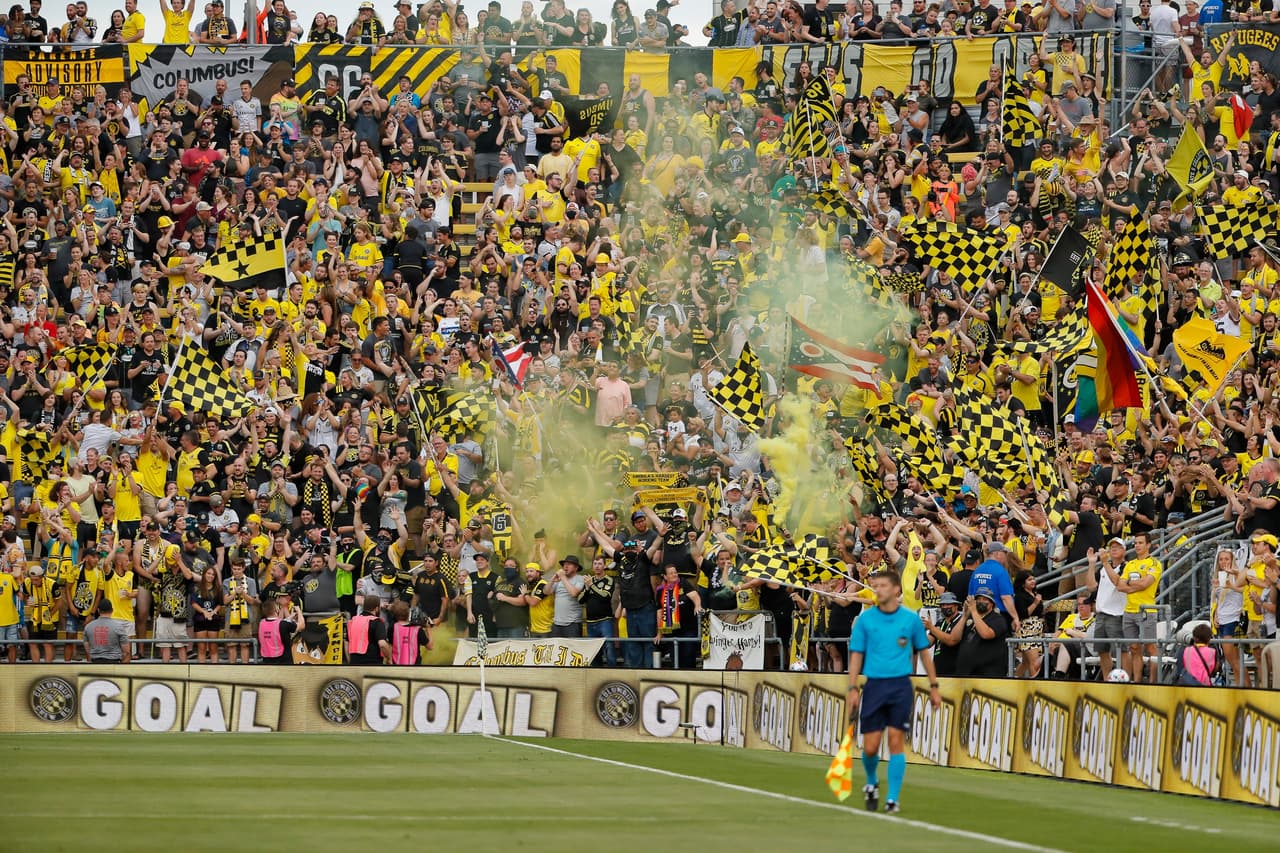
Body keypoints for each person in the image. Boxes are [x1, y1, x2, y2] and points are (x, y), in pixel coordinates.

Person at [846, 569, 940, 815]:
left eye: (883, 586)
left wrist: (933, 685)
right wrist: (853, 687)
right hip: (875, 685)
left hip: (900, 686)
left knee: (896, 741)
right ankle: (871, 781)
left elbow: (924, 652)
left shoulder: (910, 620)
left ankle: (892, 799)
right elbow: (856, 654)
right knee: (870, 747)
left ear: (897, 590)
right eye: (876, 586)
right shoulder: (866, 620)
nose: (878, 590)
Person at [83, 598, 132, 663]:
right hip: (114, 664)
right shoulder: (119, 627)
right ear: (112, 610)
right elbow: (126, 652)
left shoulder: (88, 627)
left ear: (98, 610)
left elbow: (87, 651)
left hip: (95, 663)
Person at [258, 597, 303, 664]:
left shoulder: (261, 623)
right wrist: (299, 611)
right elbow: (301, 626)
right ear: (276, 609)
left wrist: (290, 617)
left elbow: (275, 623)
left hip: (267, 661)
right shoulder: (283, 624)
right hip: (283, 661)